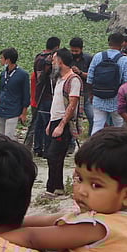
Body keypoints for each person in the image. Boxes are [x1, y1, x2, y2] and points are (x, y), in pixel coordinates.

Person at [45, 48, 82, 196]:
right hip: (55, 120)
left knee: (54, 155)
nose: (52, 62)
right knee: (53, 156)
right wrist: (50, 123)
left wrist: (61, 125)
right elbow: (57, 103)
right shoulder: (59, 79)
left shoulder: (73, 80)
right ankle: (57, 187)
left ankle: (51, 188)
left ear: (61, 61)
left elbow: (72, 104)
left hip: (64, 122)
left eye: (54, 59)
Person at [87, 33, 127, 133]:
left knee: (97, 126)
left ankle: (95, 147)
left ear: (109, 42)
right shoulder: (125, 60)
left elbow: (90, 78)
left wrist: (91, 94)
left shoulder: (98, 56)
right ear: (122, 43)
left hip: (98, 98)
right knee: (120, 128)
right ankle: (119, 147)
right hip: (117, 100)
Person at [29, 38, 61, 157]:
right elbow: (54, 77)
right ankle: (47, 150)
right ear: (56, 47)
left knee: (39, 123)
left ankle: (37, 148)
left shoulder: (38, 57)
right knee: (48, 122)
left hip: (38, 94)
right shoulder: (49, 59)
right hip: (47, 94)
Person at [0, 47, 30, 139]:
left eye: (2, 58)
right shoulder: (3, 74)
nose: (0, 60)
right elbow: (0, 92)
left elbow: (26, 95)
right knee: (1, 137)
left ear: (8, 60)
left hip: (13, 111)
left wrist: (24, 113)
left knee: (8, 137)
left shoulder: (23, 75)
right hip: (1, 109)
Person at [69, 37, 94, 137]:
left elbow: (92, 75)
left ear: (81, 49)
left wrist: (80, 73)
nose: (74, 53)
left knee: (92, 118)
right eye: (72, 50)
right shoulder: (68, 58)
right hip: (72, 94)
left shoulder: (88, 59)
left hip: (86, 94)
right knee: (71, 120)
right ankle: (71, 143)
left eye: (76, 51)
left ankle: (90, 139)